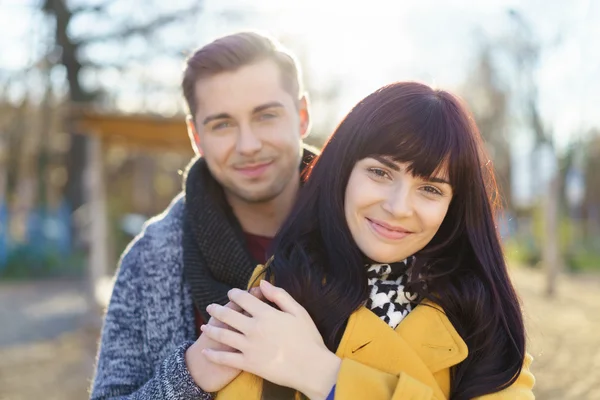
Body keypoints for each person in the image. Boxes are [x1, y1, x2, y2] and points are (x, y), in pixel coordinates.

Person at [198, 82, 536, 399]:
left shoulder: (483, 318)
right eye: (380, 172)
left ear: (454, 206)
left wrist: (324, 376)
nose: (397, 207)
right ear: (343, 172)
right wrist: (189, 374)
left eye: (430, 189)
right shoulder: (279, 289)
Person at [90, 31, 317, 399]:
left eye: (266, 116)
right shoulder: (149, 260)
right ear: (196, 136)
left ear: (302, 116)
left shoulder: (376, 235)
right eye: (222, 124)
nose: (248, 145)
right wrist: (191, 374)